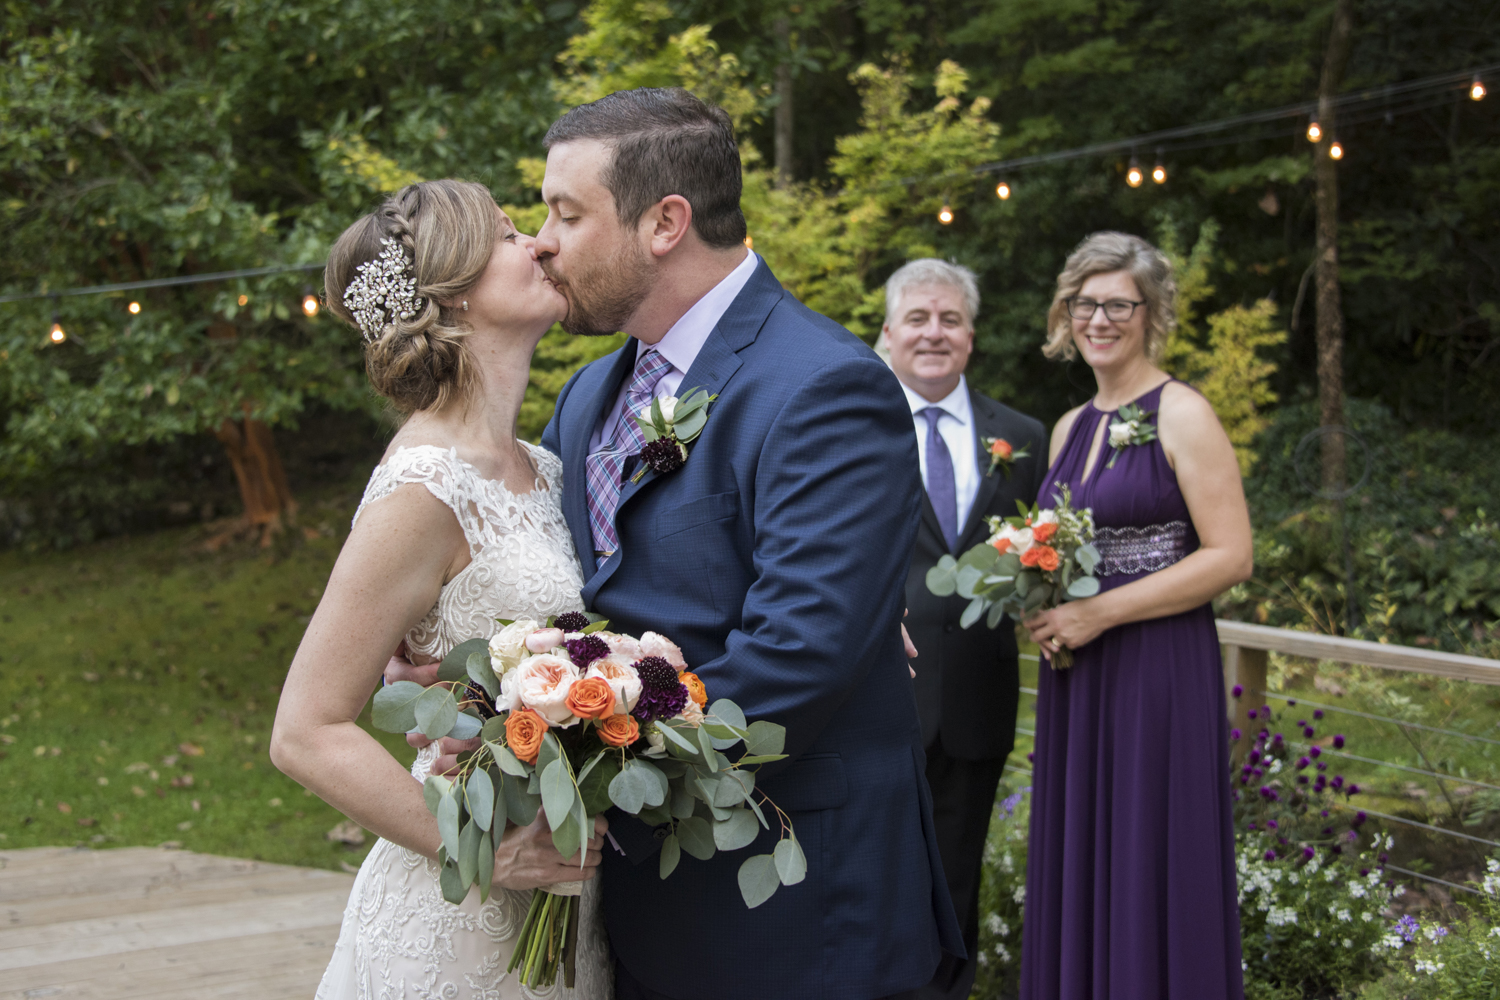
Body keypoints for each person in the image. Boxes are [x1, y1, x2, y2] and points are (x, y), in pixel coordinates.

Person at [533, 87, 962, 1000]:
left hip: (792, 914)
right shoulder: (583, 397)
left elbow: (796, 658)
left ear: (665, 222)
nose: (542, 241)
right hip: (630, 908)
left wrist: (577, 753)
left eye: (567, 213)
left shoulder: (824, 388)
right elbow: (568, 598)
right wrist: (486, 696)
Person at [270, 179, 614, 999]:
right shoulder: (424, 488)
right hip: (458, 911)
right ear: (454, 291)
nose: (536, 242)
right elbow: (305, 730)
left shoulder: (545, 467)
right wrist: (483, 852)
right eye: (505, 235)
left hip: (569, 890)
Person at [1017, 232, 1251, 998]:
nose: (1099, 318)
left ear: (1151, 314)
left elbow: (1230, 556)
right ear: (1066, 313)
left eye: (1119, 303)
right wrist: (1041, 603)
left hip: (1158, 674)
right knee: (1086, 851)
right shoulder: (1069, 427)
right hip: (1080, 677)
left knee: (1154, 848)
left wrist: (1099, 615)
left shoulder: (1184, 413)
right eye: (1085, 303)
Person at [879, 259, 1046, 1000]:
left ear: (971, 338)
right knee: (875, 878)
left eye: (949, 319)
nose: (933, 333)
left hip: (979, 696)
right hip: (880, 693)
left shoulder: (1024, 436)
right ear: (888, 334)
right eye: (918, 319)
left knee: (958, 884)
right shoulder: (852, 427)